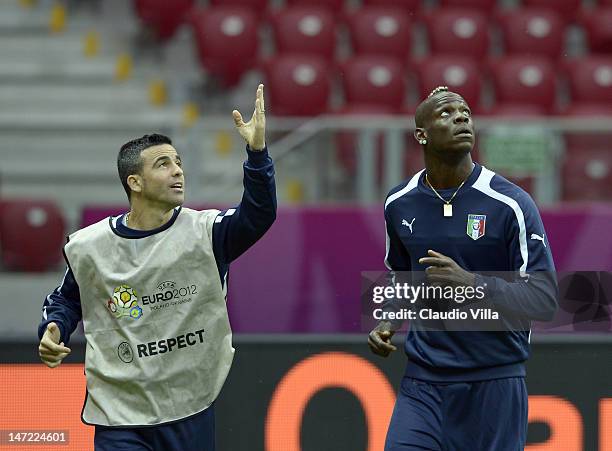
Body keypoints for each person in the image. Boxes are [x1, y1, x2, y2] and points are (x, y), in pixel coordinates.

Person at [37, 84, 275, 451]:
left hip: (189, 406)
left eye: (178, 162)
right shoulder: (90, 246)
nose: (178, 171)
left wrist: (257, 153)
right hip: (120, 413)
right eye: (163, 164)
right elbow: (68, 300)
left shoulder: (206, 232)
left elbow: (259, 215)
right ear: (135, 182)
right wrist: (54, 328)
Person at [368, 86, 558, 450]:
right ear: (421, 135)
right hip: (423, 382)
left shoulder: (511, 203)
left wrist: (471, 282)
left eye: (466, 113)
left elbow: (545, 299)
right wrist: (390, 320)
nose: (460, 118)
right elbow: (401, 276)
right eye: (446, 113)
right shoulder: (399, 203)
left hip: (494, 382)